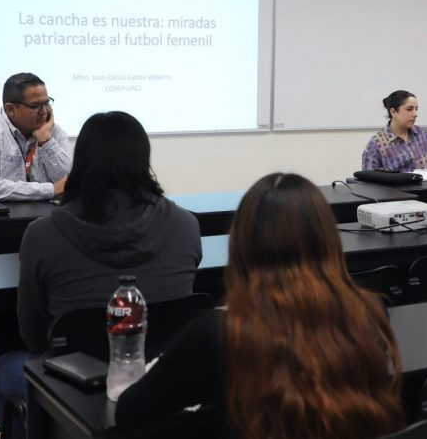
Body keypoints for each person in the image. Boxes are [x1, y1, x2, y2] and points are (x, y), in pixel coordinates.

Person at [116, 173, 404, 439]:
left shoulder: (219, 333)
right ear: (328, 240)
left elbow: (130, 411)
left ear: (243, 245)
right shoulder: (368, 312)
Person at [0, 111, 202, 433]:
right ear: (143, 158)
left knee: (0, 371)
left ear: (81, 161)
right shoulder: (186, 224)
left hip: (73, 383)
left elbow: (32, 333)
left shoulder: (42, 235)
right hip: (162, 379)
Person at [0, 72, 72, 201]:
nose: (44, 111)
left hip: (39, 216)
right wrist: (50, 190)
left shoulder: (51, 130)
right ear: (10, 109)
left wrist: (47, 142)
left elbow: (68, 183)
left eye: (47, 103)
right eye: (35, 106)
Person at [361, 89, 427, 171]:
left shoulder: (426, 136)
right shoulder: (377, 144)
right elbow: (368, 181)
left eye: (416, 109)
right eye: (409, 109)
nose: (415, 114)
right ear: (393, 112)